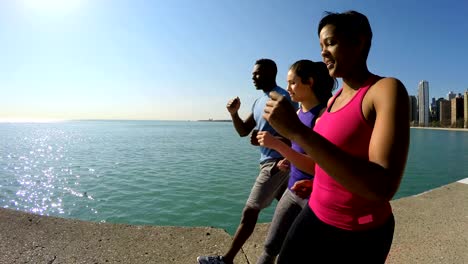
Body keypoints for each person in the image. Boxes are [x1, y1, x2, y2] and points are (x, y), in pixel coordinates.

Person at [263, 11, 410, 263]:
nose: (323, 52)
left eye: (330, 43)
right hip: (314, 211)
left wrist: (297, 132)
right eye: (320, 46)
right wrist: (319, 180)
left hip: (359, 232)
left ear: (359, 41)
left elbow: (382, 186)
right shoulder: (331, 100)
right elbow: (326, 160)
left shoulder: (384, 90)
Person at [197, 58, 298, 264]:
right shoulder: (259, 101)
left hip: (277, 163)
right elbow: (244, 130)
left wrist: (270, 142)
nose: (253, 77)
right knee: (292, 211)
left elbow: (298, 135)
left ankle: (227, 260)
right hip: (271, 162)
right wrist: (233, 114)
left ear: (271, 73)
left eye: (257, 73)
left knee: (250, 211)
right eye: (252, 73)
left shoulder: (282, 98)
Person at [255, 59, 336, 264]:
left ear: (309, 82)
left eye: (292, 82)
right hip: (291, 191)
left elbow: (319, 166)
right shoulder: (297, 113)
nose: (288, 88)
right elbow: (299, 149)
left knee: (294, 255)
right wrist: (287, 159)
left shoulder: (322, 117)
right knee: (270, 246)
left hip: (314, 198)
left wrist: (277, 145)